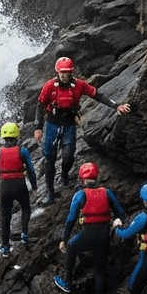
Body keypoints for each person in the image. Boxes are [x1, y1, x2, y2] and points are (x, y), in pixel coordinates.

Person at [34, 57, 131, 203]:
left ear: (71, 72)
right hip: (52, 124)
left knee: (68, 156)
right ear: (57, 72)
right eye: (61, 72)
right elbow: (39, 105)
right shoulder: (50, 86)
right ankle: (50, 192)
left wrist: (117, 106)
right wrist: (38, 127)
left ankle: (65, 175)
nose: (64, 75)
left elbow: (97, 95)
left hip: (68, 124)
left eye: (67, 72)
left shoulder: (79, 85)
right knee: (50, 159)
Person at [54, 162, 126, 294]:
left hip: (87, 235)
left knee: (72, 246)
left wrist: (64, 239)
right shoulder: (107, 193)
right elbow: (120, 212)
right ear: (96, 176)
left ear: (81, 178)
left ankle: (67, 282)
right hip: (104, 236)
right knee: (100, 270)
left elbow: (71, 219)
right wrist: (118, 222)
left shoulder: (80, 195)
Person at [0, 122, 39, 256]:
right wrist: (34, 186)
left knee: (5, 217)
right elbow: (30, 170)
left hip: (5, 186)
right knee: (25, 208)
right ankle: (24, 234)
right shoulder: (22, 150)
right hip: (20, 184)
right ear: (17, 135)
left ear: (2, 137)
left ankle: (5, 247)